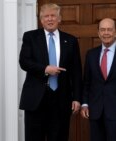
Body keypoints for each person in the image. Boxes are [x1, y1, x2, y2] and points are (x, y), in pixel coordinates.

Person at [19, 3, 82, 141]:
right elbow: (24, 61)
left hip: (61, 99)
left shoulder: (70, 40)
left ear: (59, 18)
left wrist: (77, 97)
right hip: (36, 99)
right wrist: (45, 69)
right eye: (46, 16)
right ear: (41, 20)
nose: (49, 19)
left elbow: (76, 71)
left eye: (53, 15)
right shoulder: (30, 37)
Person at [80, 18, 116, 141]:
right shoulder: (91, 54)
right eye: (102, 30)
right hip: (95, 111)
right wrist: (85, 103)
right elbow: (87, 82)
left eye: (109, 30)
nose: (106, 33)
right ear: (98, 33)